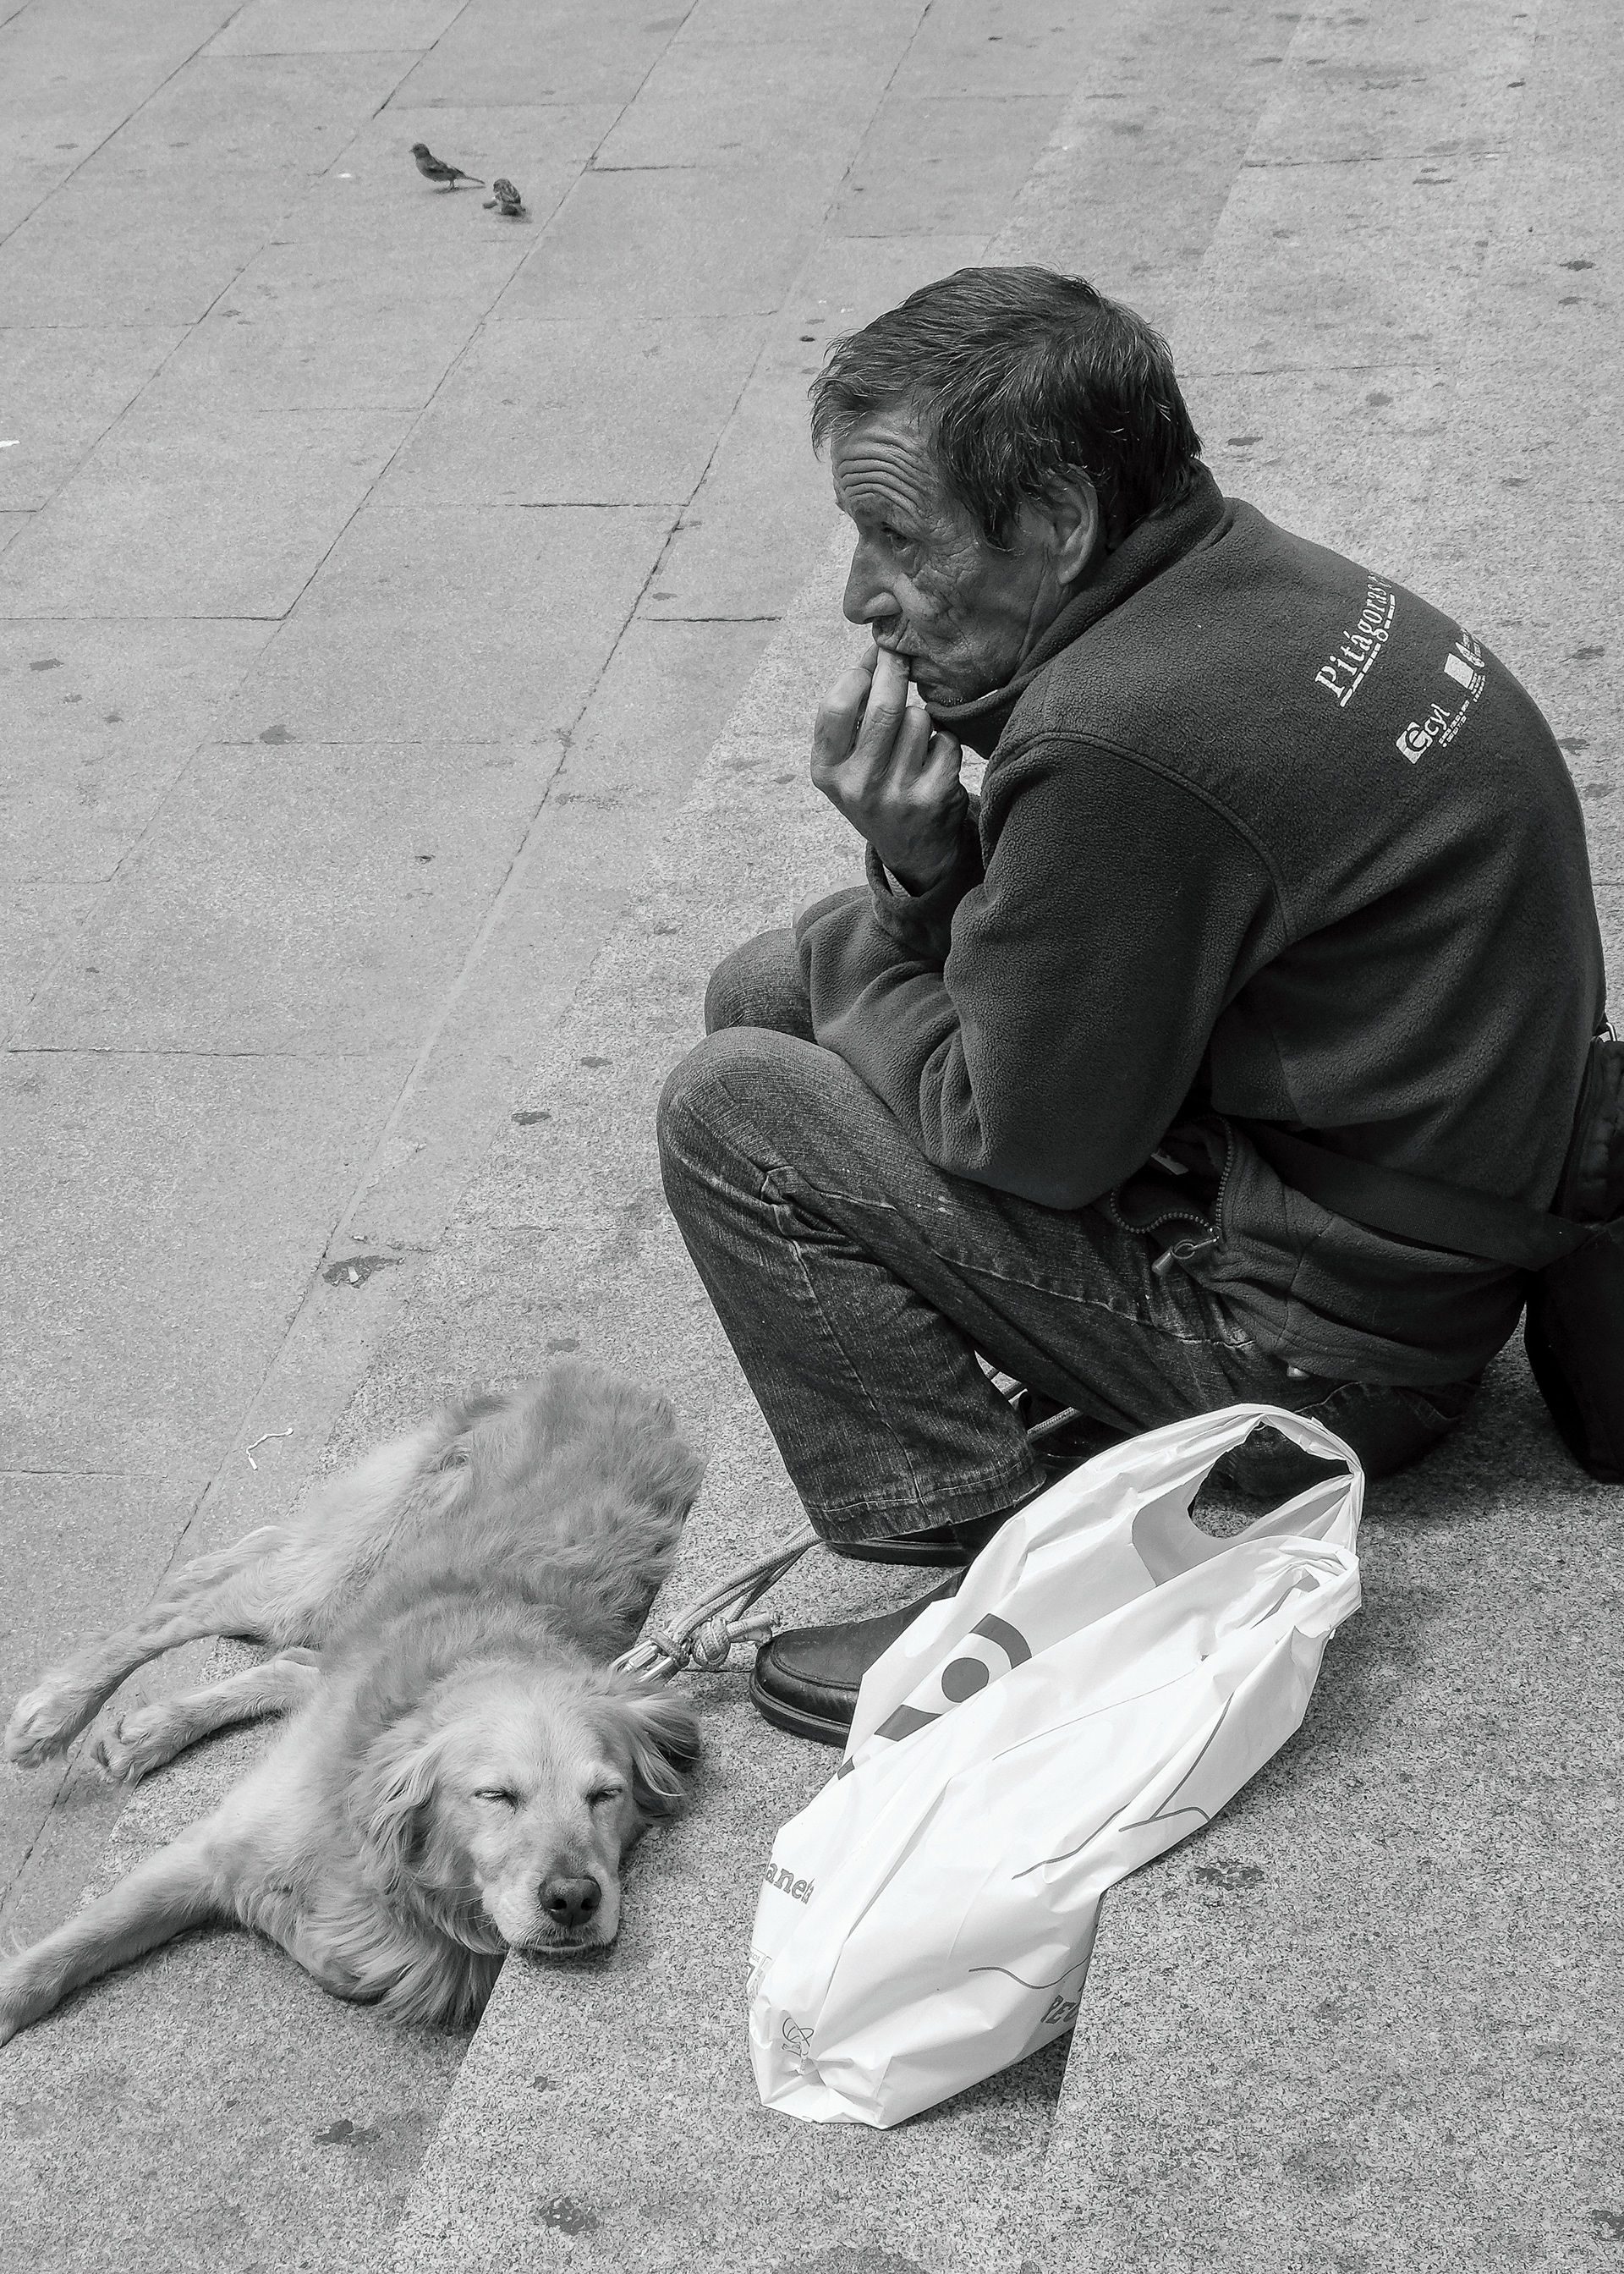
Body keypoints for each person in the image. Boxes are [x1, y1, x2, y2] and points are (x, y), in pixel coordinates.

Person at [656, 267, 1605, 1746]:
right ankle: (1052, 1440)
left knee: (737, 1106)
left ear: (1057, 521)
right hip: (1406, 1229)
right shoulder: (1252, 579)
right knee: (772, 988)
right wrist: (927, 873)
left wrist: (891, 908)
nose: (860, 595)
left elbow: (1022, 1139)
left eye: (899, 536)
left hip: (1328, 1368)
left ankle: (1004, 1575)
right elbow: (1111, 941)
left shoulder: (1120, 738)